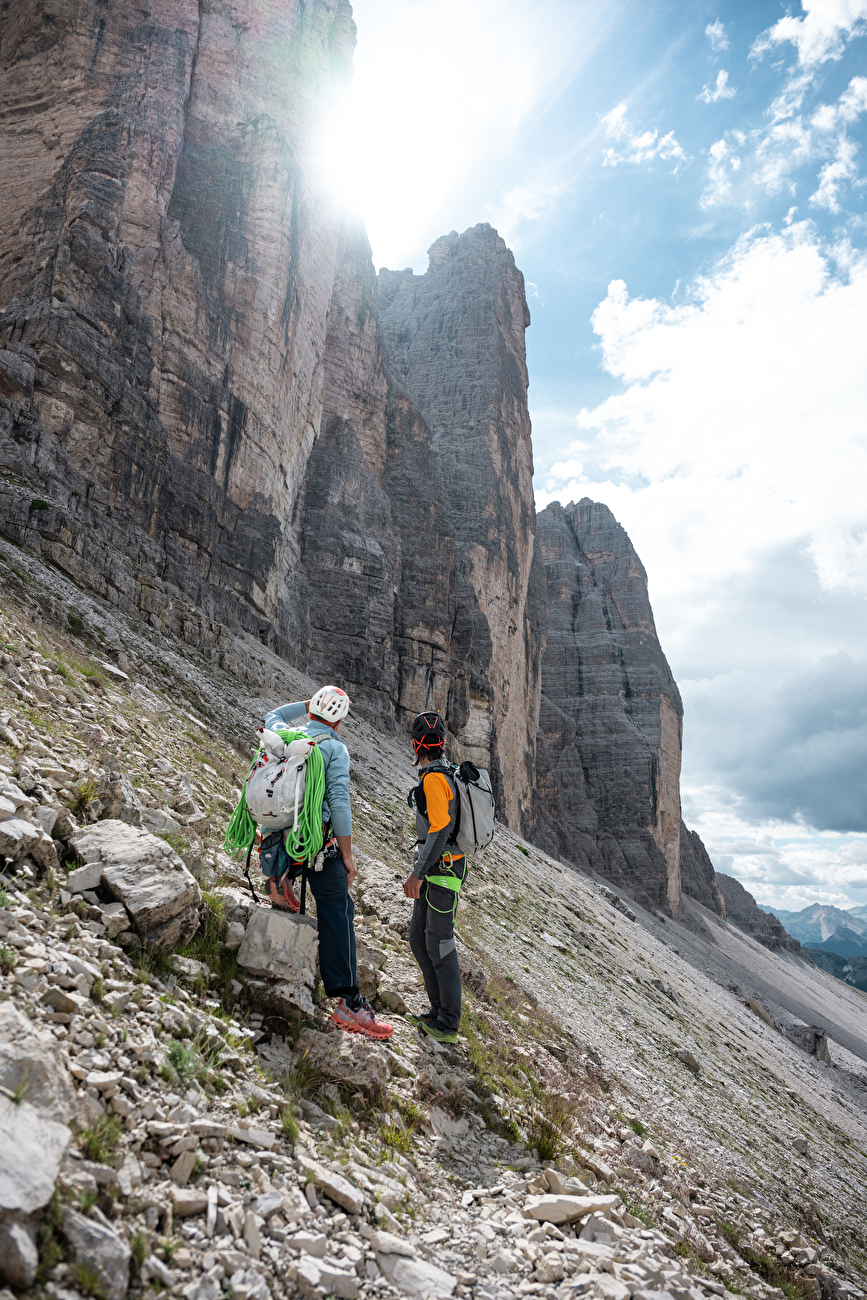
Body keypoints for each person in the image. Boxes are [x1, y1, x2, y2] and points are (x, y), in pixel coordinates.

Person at [264, 686, 392, 1041]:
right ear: (340, 718)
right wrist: (348, 857)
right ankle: (349, 1002)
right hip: (317, 842)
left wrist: (306, 705)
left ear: (315, 708)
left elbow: (272, 714)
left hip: (279, 835)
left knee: (311, 881)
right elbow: (339, 804)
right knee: (338, 910)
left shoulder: (285, 735)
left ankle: (281, 873)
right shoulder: (333, 748)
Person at [403, 710, 467, 1045]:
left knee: (440, 945)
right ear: (441, 743)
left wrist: (417, 873)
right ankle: (437, 1009)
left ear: (416, 745)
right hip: (436, 869)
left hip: (441, 872)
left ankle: (448, 1024)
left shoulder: (433, 779)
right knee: (418, 939)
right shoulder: (443, 773)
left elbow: (440, 829)